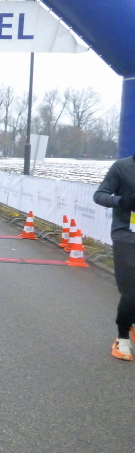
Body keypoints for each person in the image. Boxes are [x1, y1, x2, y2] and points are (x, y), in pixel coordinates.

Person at [93, 154, 135, 361]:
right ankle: (123, 337)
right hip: (127, 236)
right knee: (131, 291)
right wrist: (122, 201)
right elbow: (99, 195)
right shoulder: (122, 167)